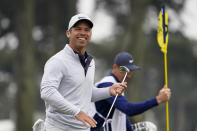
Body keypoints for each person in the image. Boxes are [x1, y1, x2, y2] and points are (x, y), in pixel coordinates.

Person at [39, 14, 127, 131]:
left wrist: (109, 91)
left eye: (87, 30)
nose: (83, 33)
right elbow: (47, 92)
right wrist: (77, 112)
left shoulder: (91, 62)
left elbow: (86, 94)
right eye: (78, 29)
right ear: (68, 33)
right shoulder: (57, 60)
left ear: (90, 34)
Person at [91, 52, 171, 131]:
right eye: (125, 70)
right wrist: (157, 100)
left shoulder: (117, 84)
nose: (129, 75)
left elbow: (122, 116)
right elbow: (129, 109)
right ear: (115, 67)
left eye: (130, 71)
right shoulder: (107, 84)